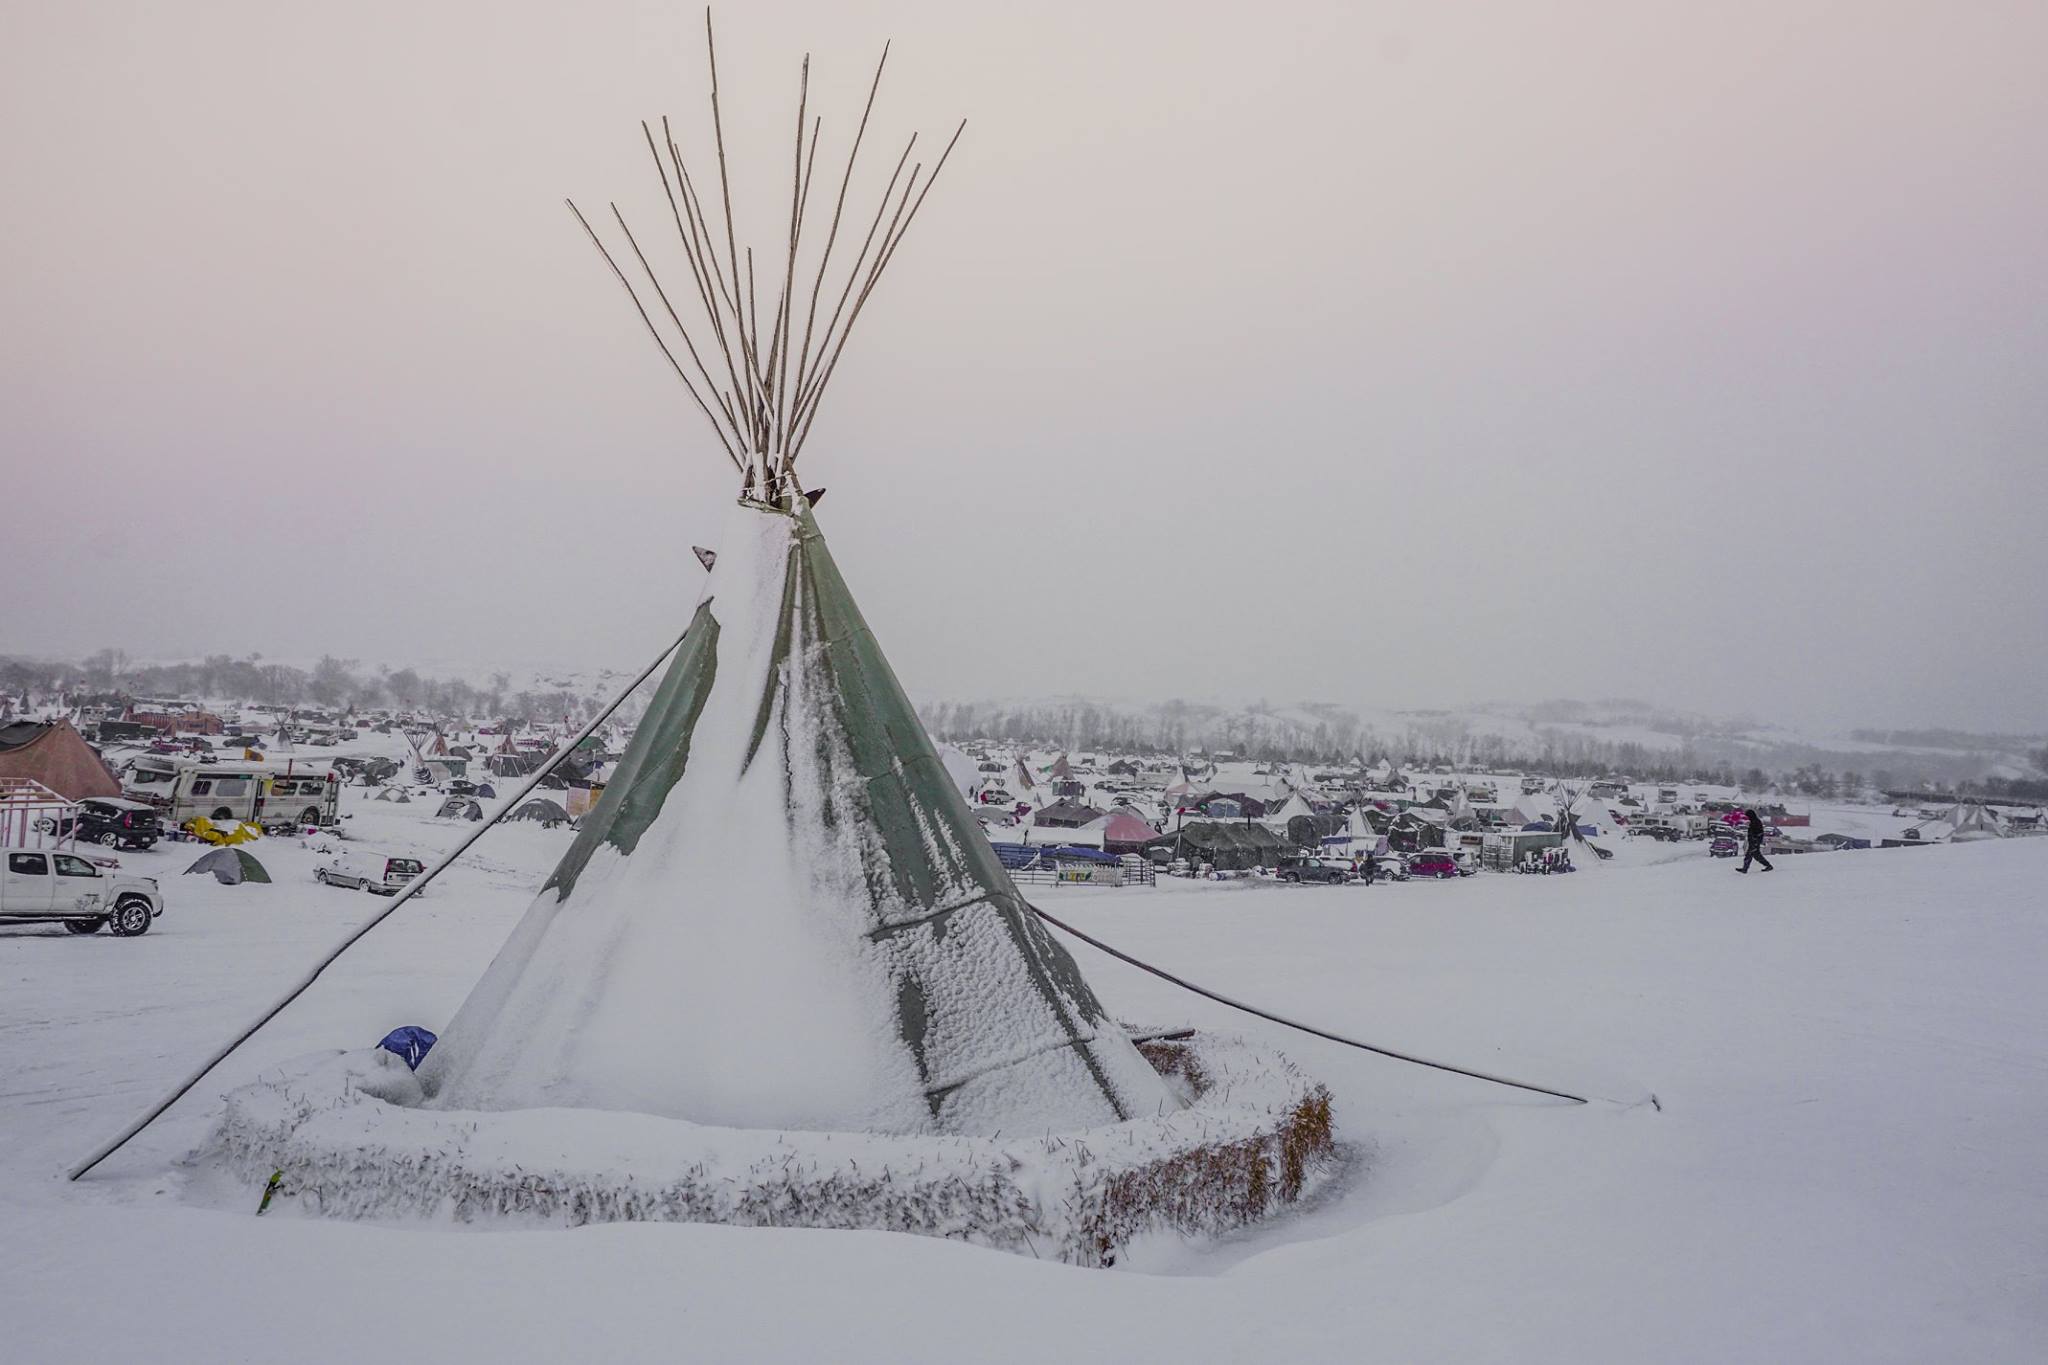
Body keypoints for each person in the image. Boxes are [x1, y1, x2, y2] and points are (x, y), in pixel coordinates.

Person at [1738, 808, 1774, 873]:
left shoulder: (1756, 822)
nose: (1747, 817)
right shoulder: (1753, 821)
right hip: (1753, 842)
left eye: (1748, 816)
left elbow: (1759, 833)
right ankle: (1768, 866)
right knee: (1756, 856)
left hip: (1754, 842)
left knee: (1750, 855)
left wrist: (1755, 841)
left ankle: (1745, 869)